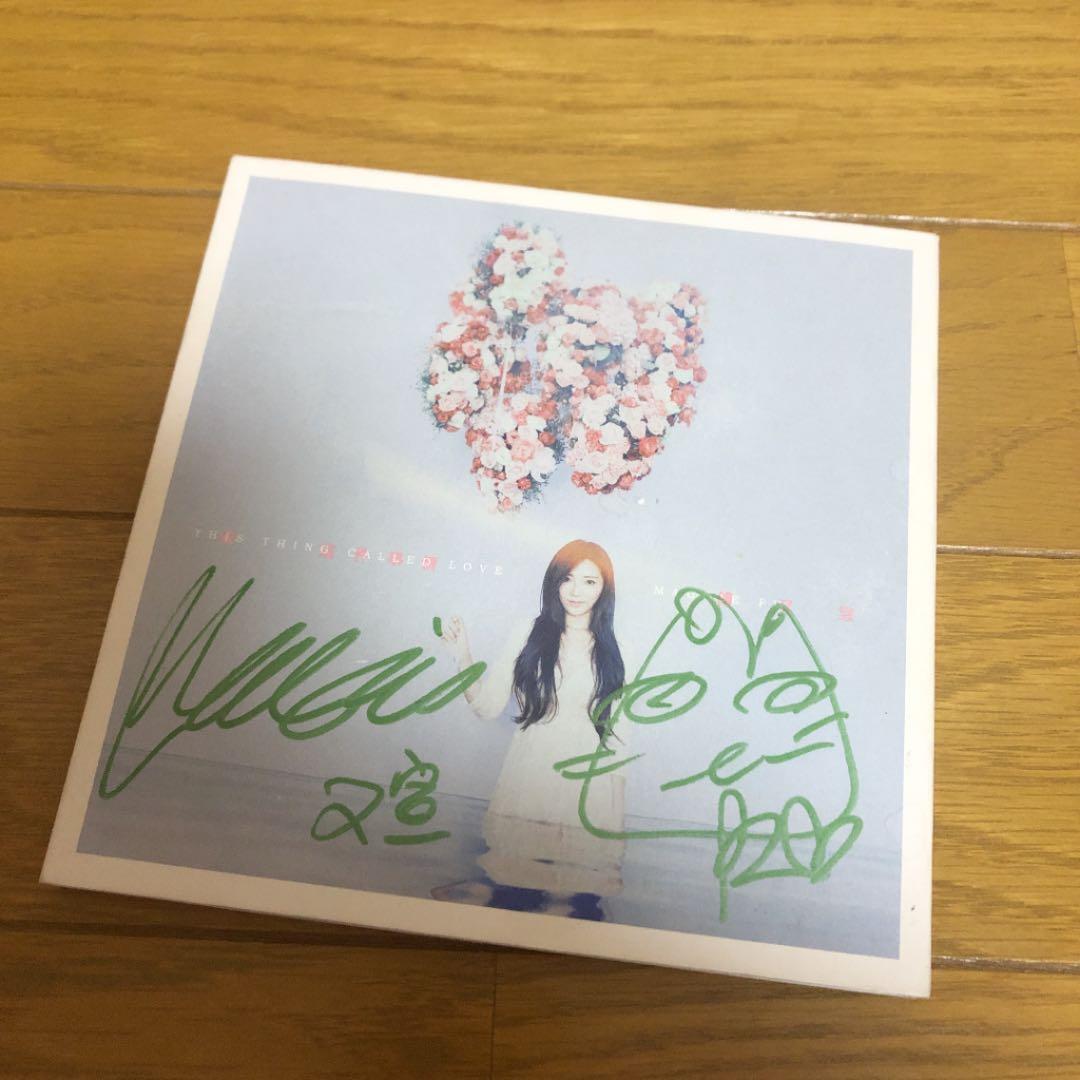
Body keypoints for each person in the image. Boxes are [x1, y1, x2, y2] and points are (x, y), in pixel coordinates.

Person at [435, 539, 629, 918]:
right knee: (512, 903)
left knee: (570, 909)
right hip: (526, 786)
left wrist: (615, 835)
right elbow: (488, 707)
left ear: (604, 589)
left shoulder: (619, 649)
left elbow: (619, 744)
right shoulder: (529, 632)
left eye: (589, 582)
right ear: (554, 582)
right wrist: (463, 658)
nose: (576, 591)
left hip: (586, 797)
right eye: (567, 579)